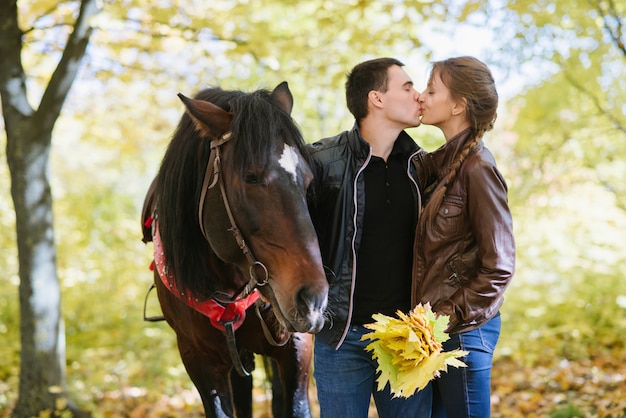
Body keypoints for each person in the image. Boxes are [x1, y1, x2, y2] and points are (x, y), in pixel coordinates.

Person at [306, 57, 432, 417]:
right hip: (342, 338)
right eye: (407, 87)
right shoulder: (322, 161)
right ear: (377, 99)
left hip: (408, 338)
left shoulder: (424, 166)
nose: (418, 95)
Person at [412, 56, 516, 418]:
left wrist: (445, 316)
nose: (421, 97)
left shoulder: (479, 169)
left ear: (458, 105)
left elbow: (499, 266)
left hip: (465, 333)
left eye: (431, 89)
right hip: (439, 332)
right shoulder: (439, 166)